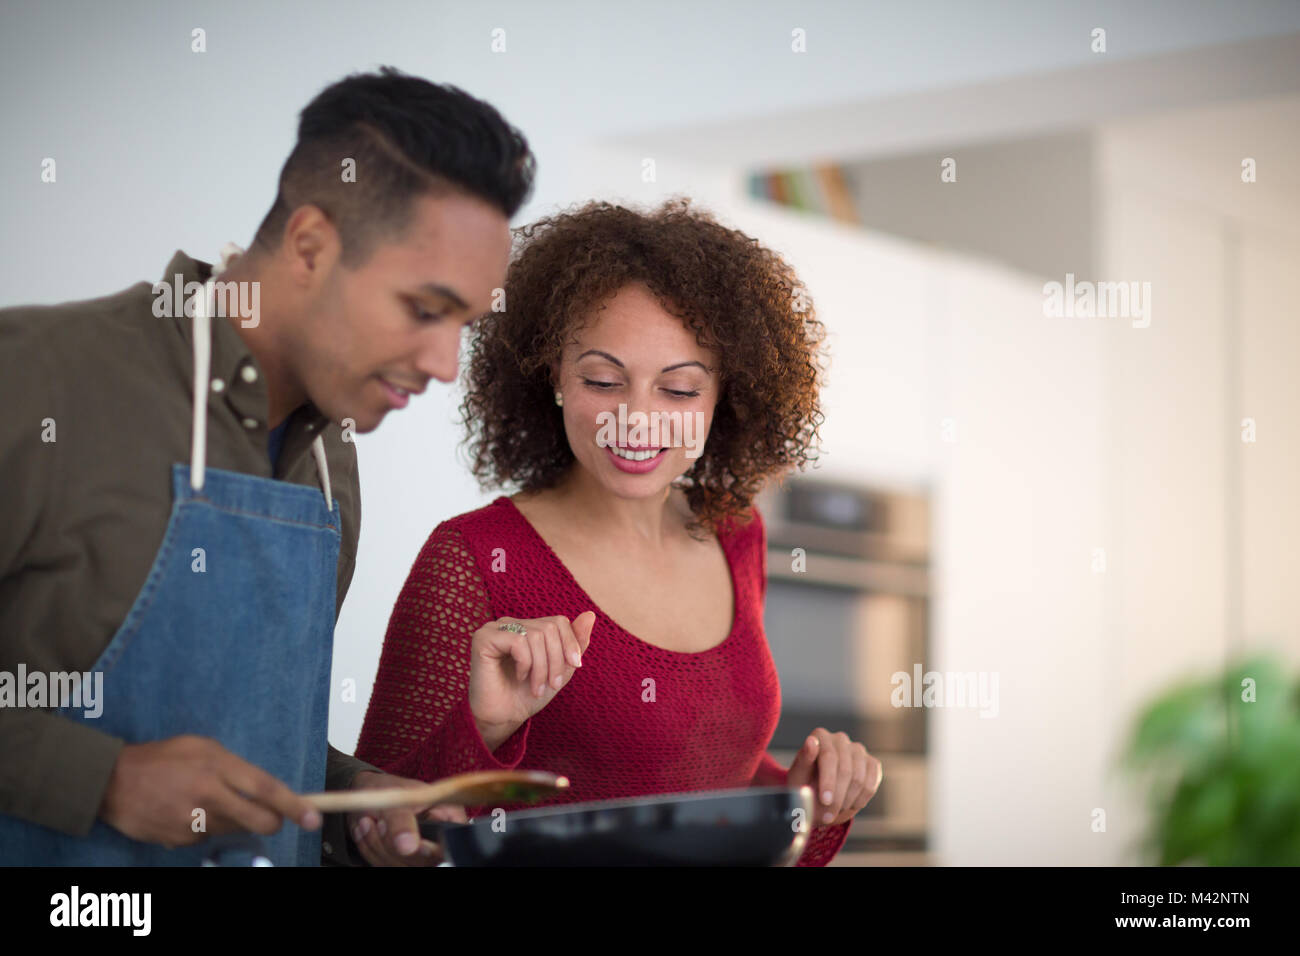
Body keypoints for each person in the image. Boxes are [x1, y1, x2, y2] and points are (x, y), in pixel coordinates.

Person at [0, 66, 535, 866]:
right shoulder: (38, 376)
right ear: (310, 246)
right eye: (425, 310)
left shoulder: (331, 463)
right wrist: (100, 778)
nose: (446, 364)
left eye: (464, 323)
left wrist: (353, 797)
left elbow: (249, 734)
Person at [356, 198, 883, 865]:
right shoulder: (472, 560)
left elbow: (699, 787)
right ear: (552, 375)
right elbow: (376, 827)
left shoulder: (734, 532)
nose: (636, 420)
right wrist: (488, 727)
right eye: (603, 380)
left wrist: (809, 802)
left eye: (680, 390)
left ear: (726, 397)